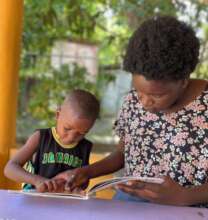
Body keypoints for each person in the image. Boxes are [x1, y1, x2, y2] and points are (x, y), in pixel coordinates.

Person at [50, 15, 208, 207]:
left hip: (191, 210)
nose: (145, 102)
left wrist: (184, 197)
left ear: (183, 80)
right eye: (139, 91)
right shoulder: (133, 101)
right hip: (132, 206)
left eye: (156, 96)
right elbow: (123, 154)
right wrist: (85, 172)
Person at [4, 89, 100, 193]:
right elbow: (10, 168)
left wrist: (75, 185)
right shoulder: (41, 137)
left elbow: (84, 180)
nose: (72, 137)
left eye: (82, 133)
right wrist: (38, 181)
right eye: (67, 128)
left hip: (65, 201)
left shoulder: (85, 146)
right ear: (58, 115)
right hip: (36, 197)